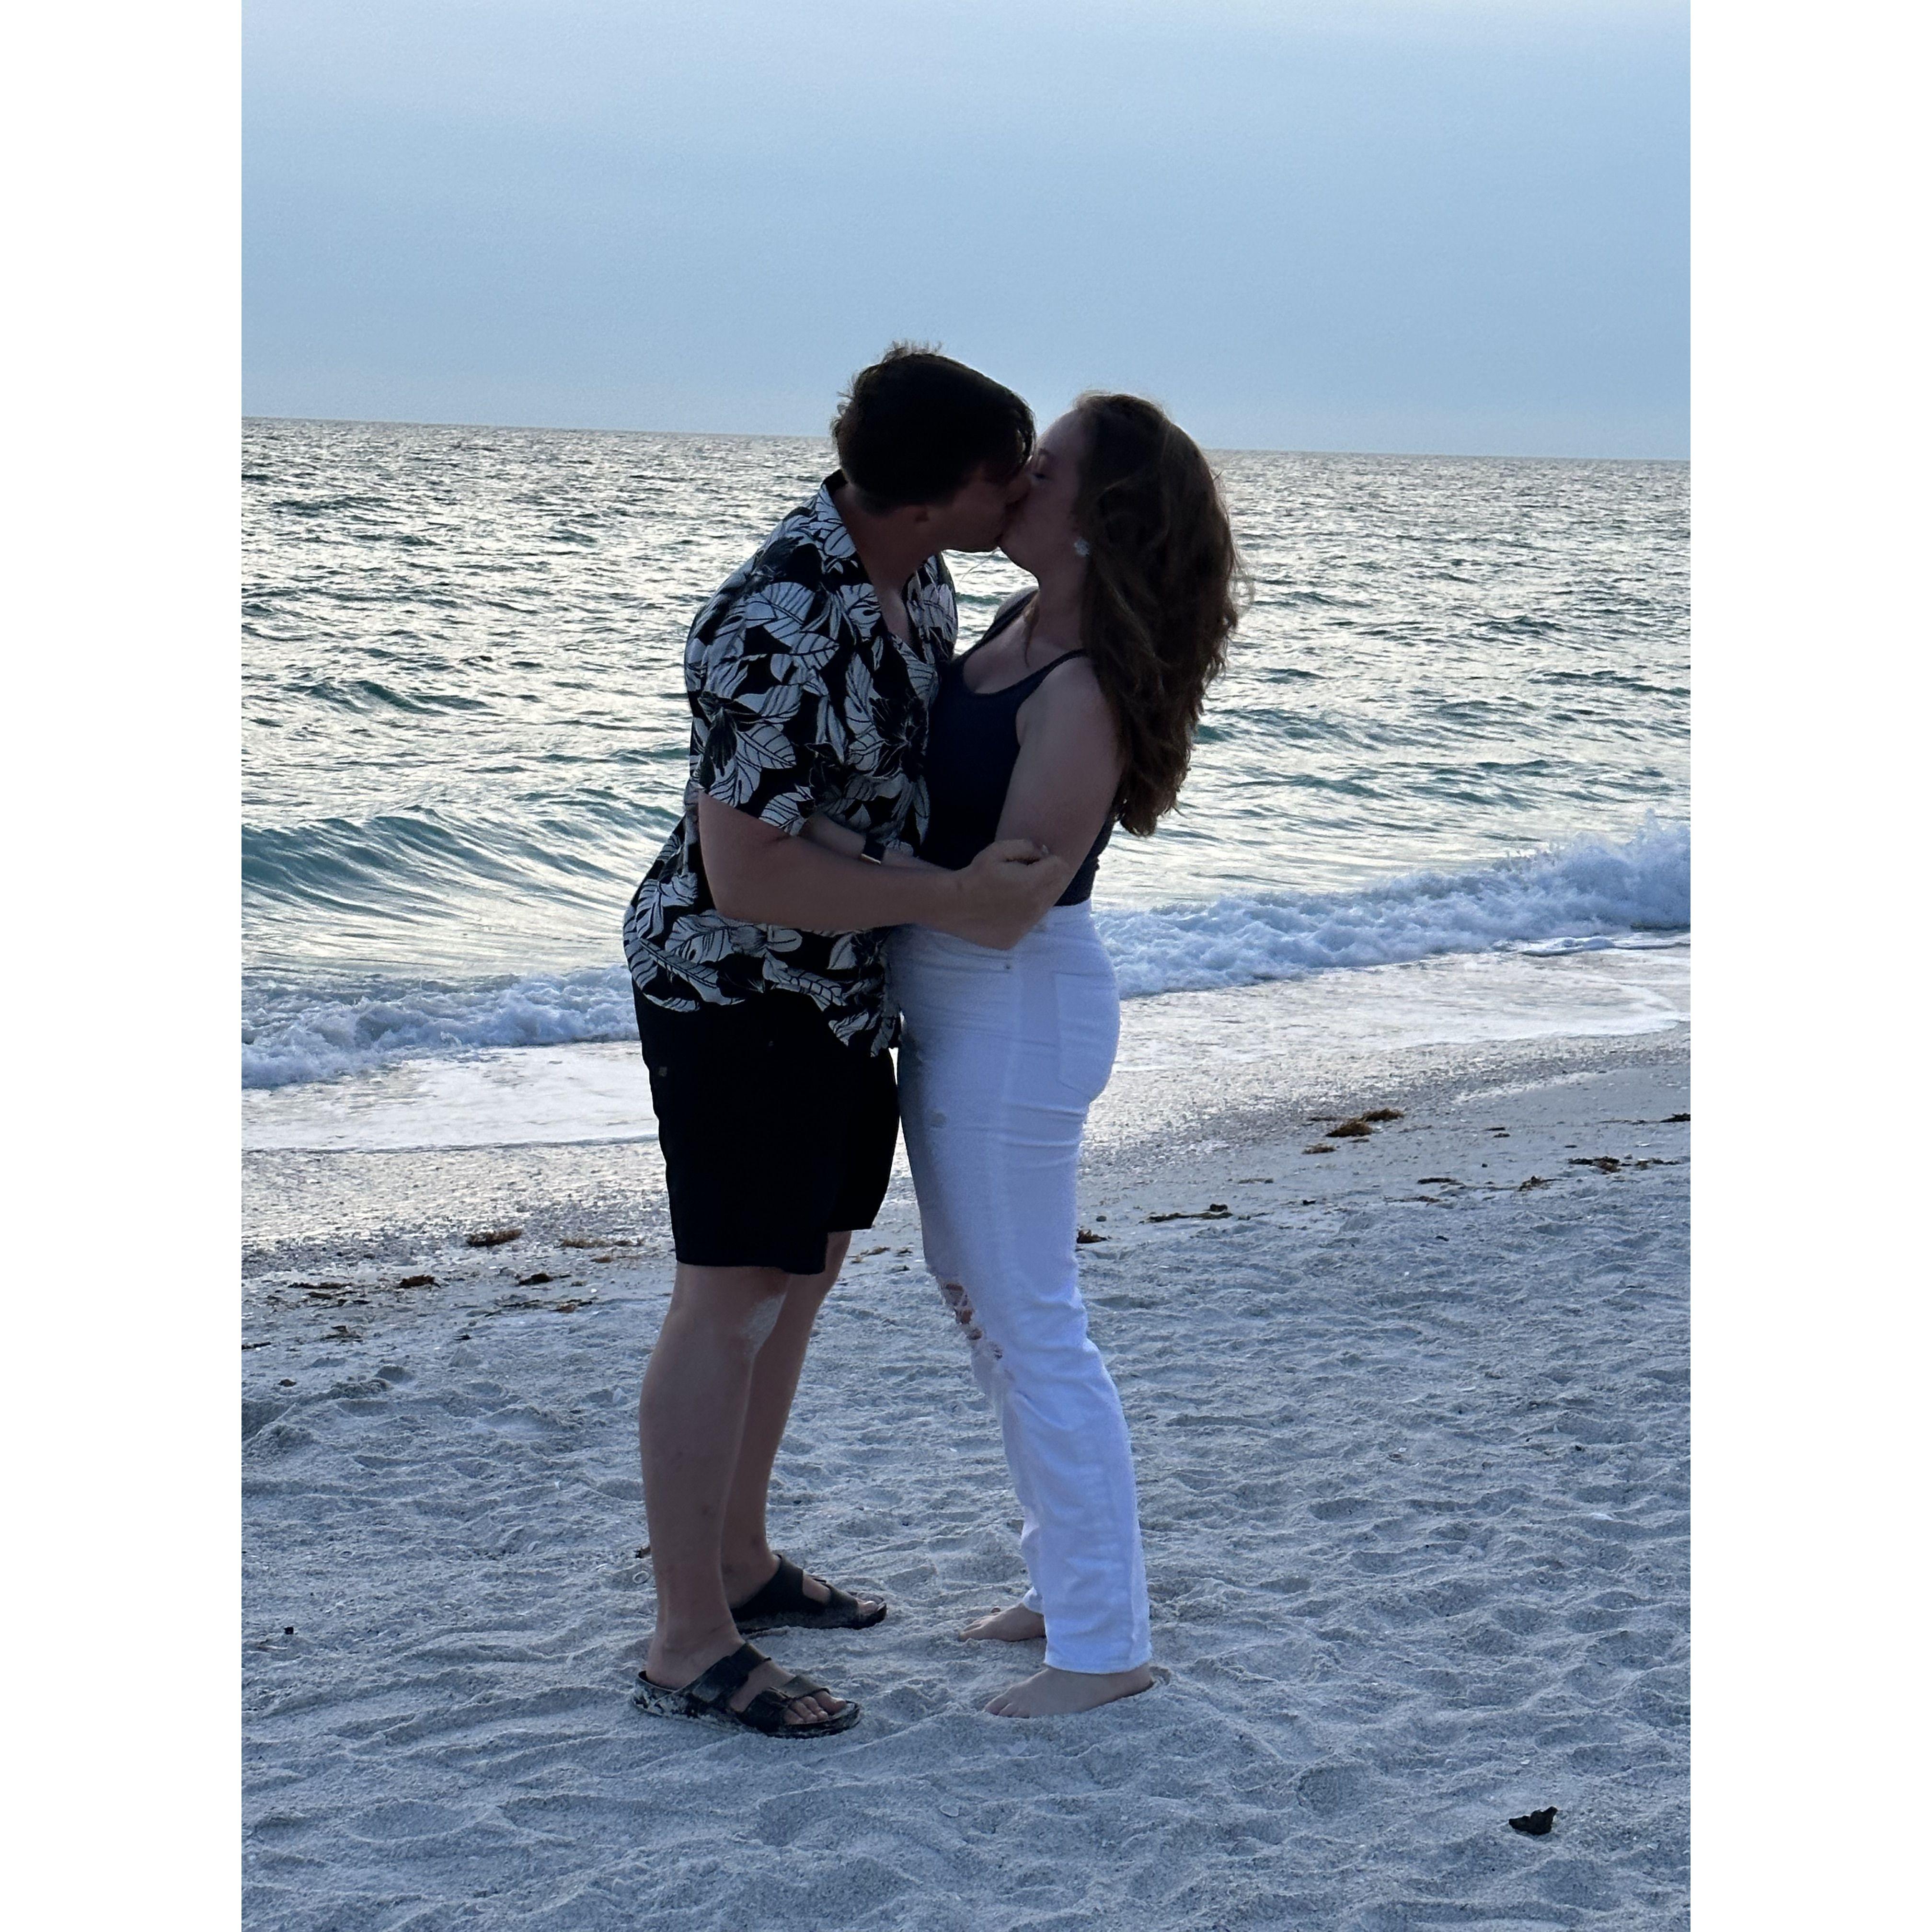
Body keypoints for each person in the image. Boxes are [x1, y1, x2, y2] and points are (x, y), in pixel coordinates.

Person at [623, 347, 1066, 1737]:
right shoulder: (771, 617)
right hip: (734, 987)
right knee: (728, 1294)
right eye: (1017, 470)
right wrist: (949, 901)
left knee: (799, 1276)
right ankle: (687, 1638)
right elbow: (746, 871)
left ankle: (742, 1564)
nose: (1033, 486)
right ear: (947, 492)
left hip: (837, 990)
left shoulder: (914, 579)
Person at [812, 393, 1242, 1716]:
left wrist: (815, 870)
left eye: (1043, 465)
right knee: (983, 1303)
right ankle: (1064, 1589)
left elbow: (1010, 898)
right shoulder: (1007, 627)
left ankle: (1106, 1651)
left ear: (1097, 514)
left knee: (1036, 1326)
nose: (1018, 473)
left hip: (1018, 1004)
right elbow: (962, 870)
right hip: (954, 999)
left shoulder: (1084, 688)